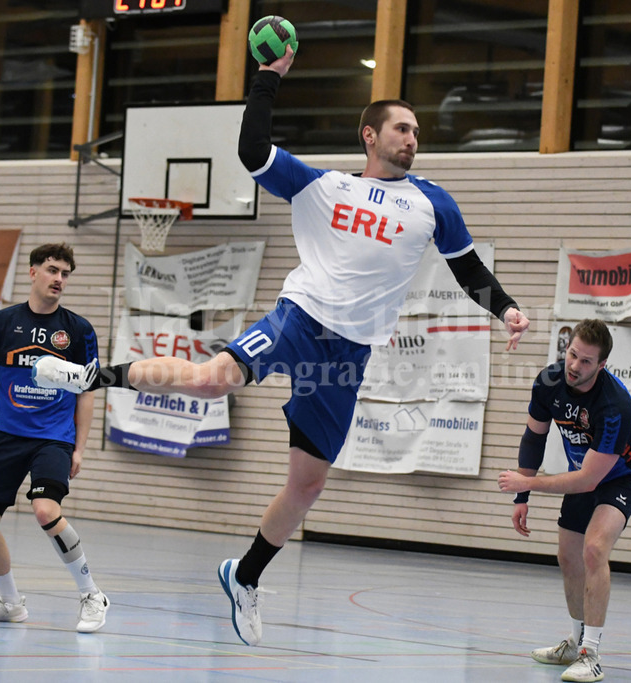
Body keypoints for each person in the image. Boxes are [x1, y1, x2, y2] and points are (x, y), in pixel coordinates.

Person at [32, 46, 529, 647]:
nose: (412, 139)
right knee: (211, 380)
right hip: (301, 317)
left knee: (308, 484)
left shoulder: (433, 203)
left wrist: (506, 309)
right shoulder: (324, 186)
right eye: (402, 128)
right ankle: (92, 376)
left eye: (417, 131)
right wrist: (268, 78)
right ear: (370, 136)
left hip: (349, 353)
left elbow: (467, 268)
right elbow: (252, 152)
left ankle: (244, 576)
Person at [0, 243, 109, 633]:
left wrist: (79, 448)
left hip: (53, 438)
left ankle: (92, 595)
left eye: (65, 273)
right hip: (8, 437)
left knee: (45, 510)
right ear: (33, 272)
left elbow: (87, 393)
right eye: (52, 270)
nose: (59, 279)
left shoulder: (79, 330)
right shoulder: (2, 322)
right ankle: (10, 602)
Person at [498, 319, 631, 682]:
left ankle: (591, 654)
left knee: (594, 550)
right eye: (572, 355)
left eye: (586, 361)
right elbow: (533, 438)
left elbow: (589, 480)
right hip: (583, 473)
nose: (575, 366)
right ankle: (575, 641)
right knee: (568, 556)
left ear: (602, 365)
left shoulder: (614, 406)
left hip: (621, 478)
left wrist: (529, 481)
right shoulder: (548, 382)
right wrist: (522, 495)